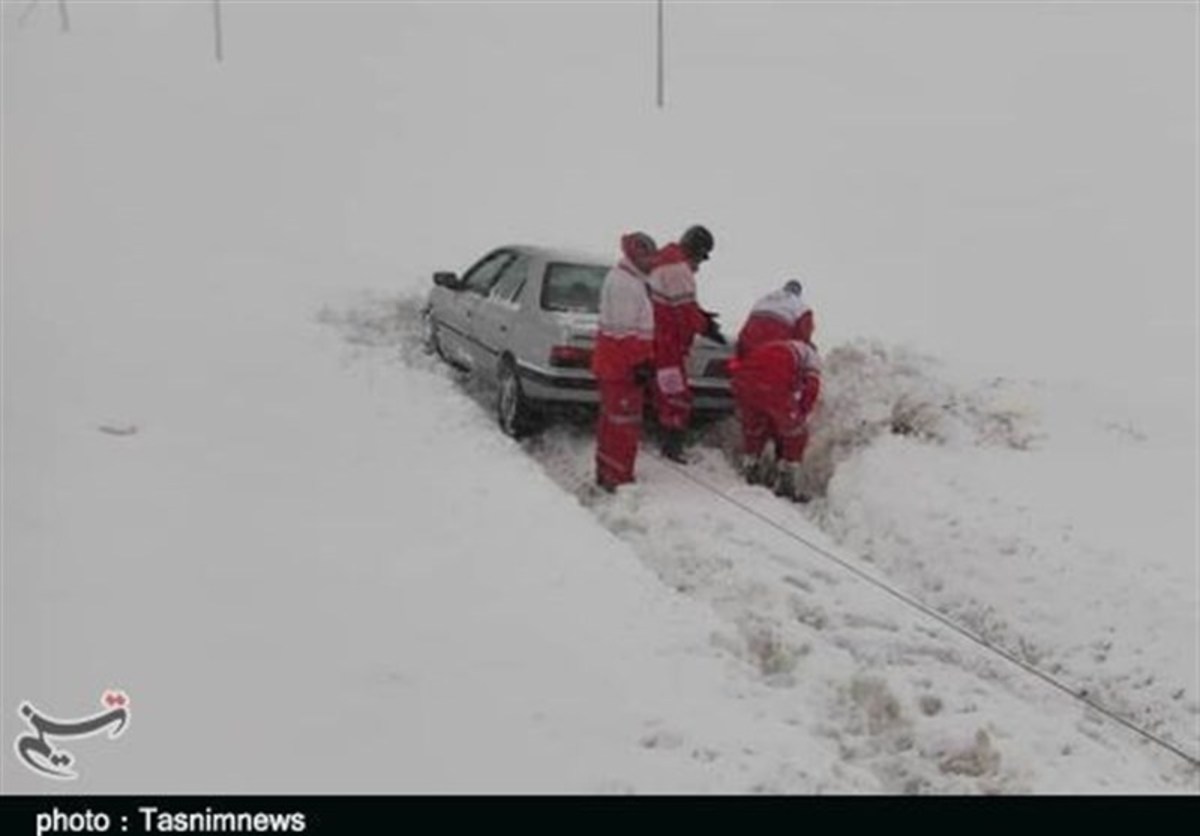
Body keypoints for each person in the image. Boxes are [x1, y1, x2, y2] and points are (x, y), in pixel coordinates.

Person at [646, 224, 725, 462]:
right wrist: (706, 327)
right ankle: (672, 448)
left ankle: (663, 439)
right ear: (696, 251)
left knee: (662, 393)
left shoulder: (663, 261)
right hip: (667, 344)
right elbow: (685, 312)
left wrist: (701, 315)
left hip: (657, 338)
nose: (700, 265)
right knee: (675, 396)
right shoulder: (678, 269)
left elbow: (677, 303)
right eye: (701, 258)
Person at [592, 232, 658, 491]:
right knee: (623, 425)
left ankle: (607, 473)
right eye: (647, 256)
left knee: (612, 422)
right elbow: (622, 333)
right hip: (622, 370)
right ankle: (618, 479)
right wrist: (638, 365)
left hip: (618, 367)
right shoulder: (625, 285)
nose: (652, 261)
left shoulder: (628, 279)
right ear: (635, 255)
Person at [729, 333, 822, 502]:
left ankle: (751, 471)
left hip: (743, 383)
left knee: (754, 429)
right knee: (796, 433)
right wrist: (800, 414)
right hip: (772, 386)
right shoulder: (811, 355)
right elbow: (811, 389)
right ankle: (786, 484)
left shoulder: (778, 344)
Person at [736, 279, 814, 358]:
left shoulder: (763, 299)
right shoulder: (801, 306)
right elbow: (802, 337)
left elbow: (748, 324)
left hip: (749, 344)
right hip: (776, 348)